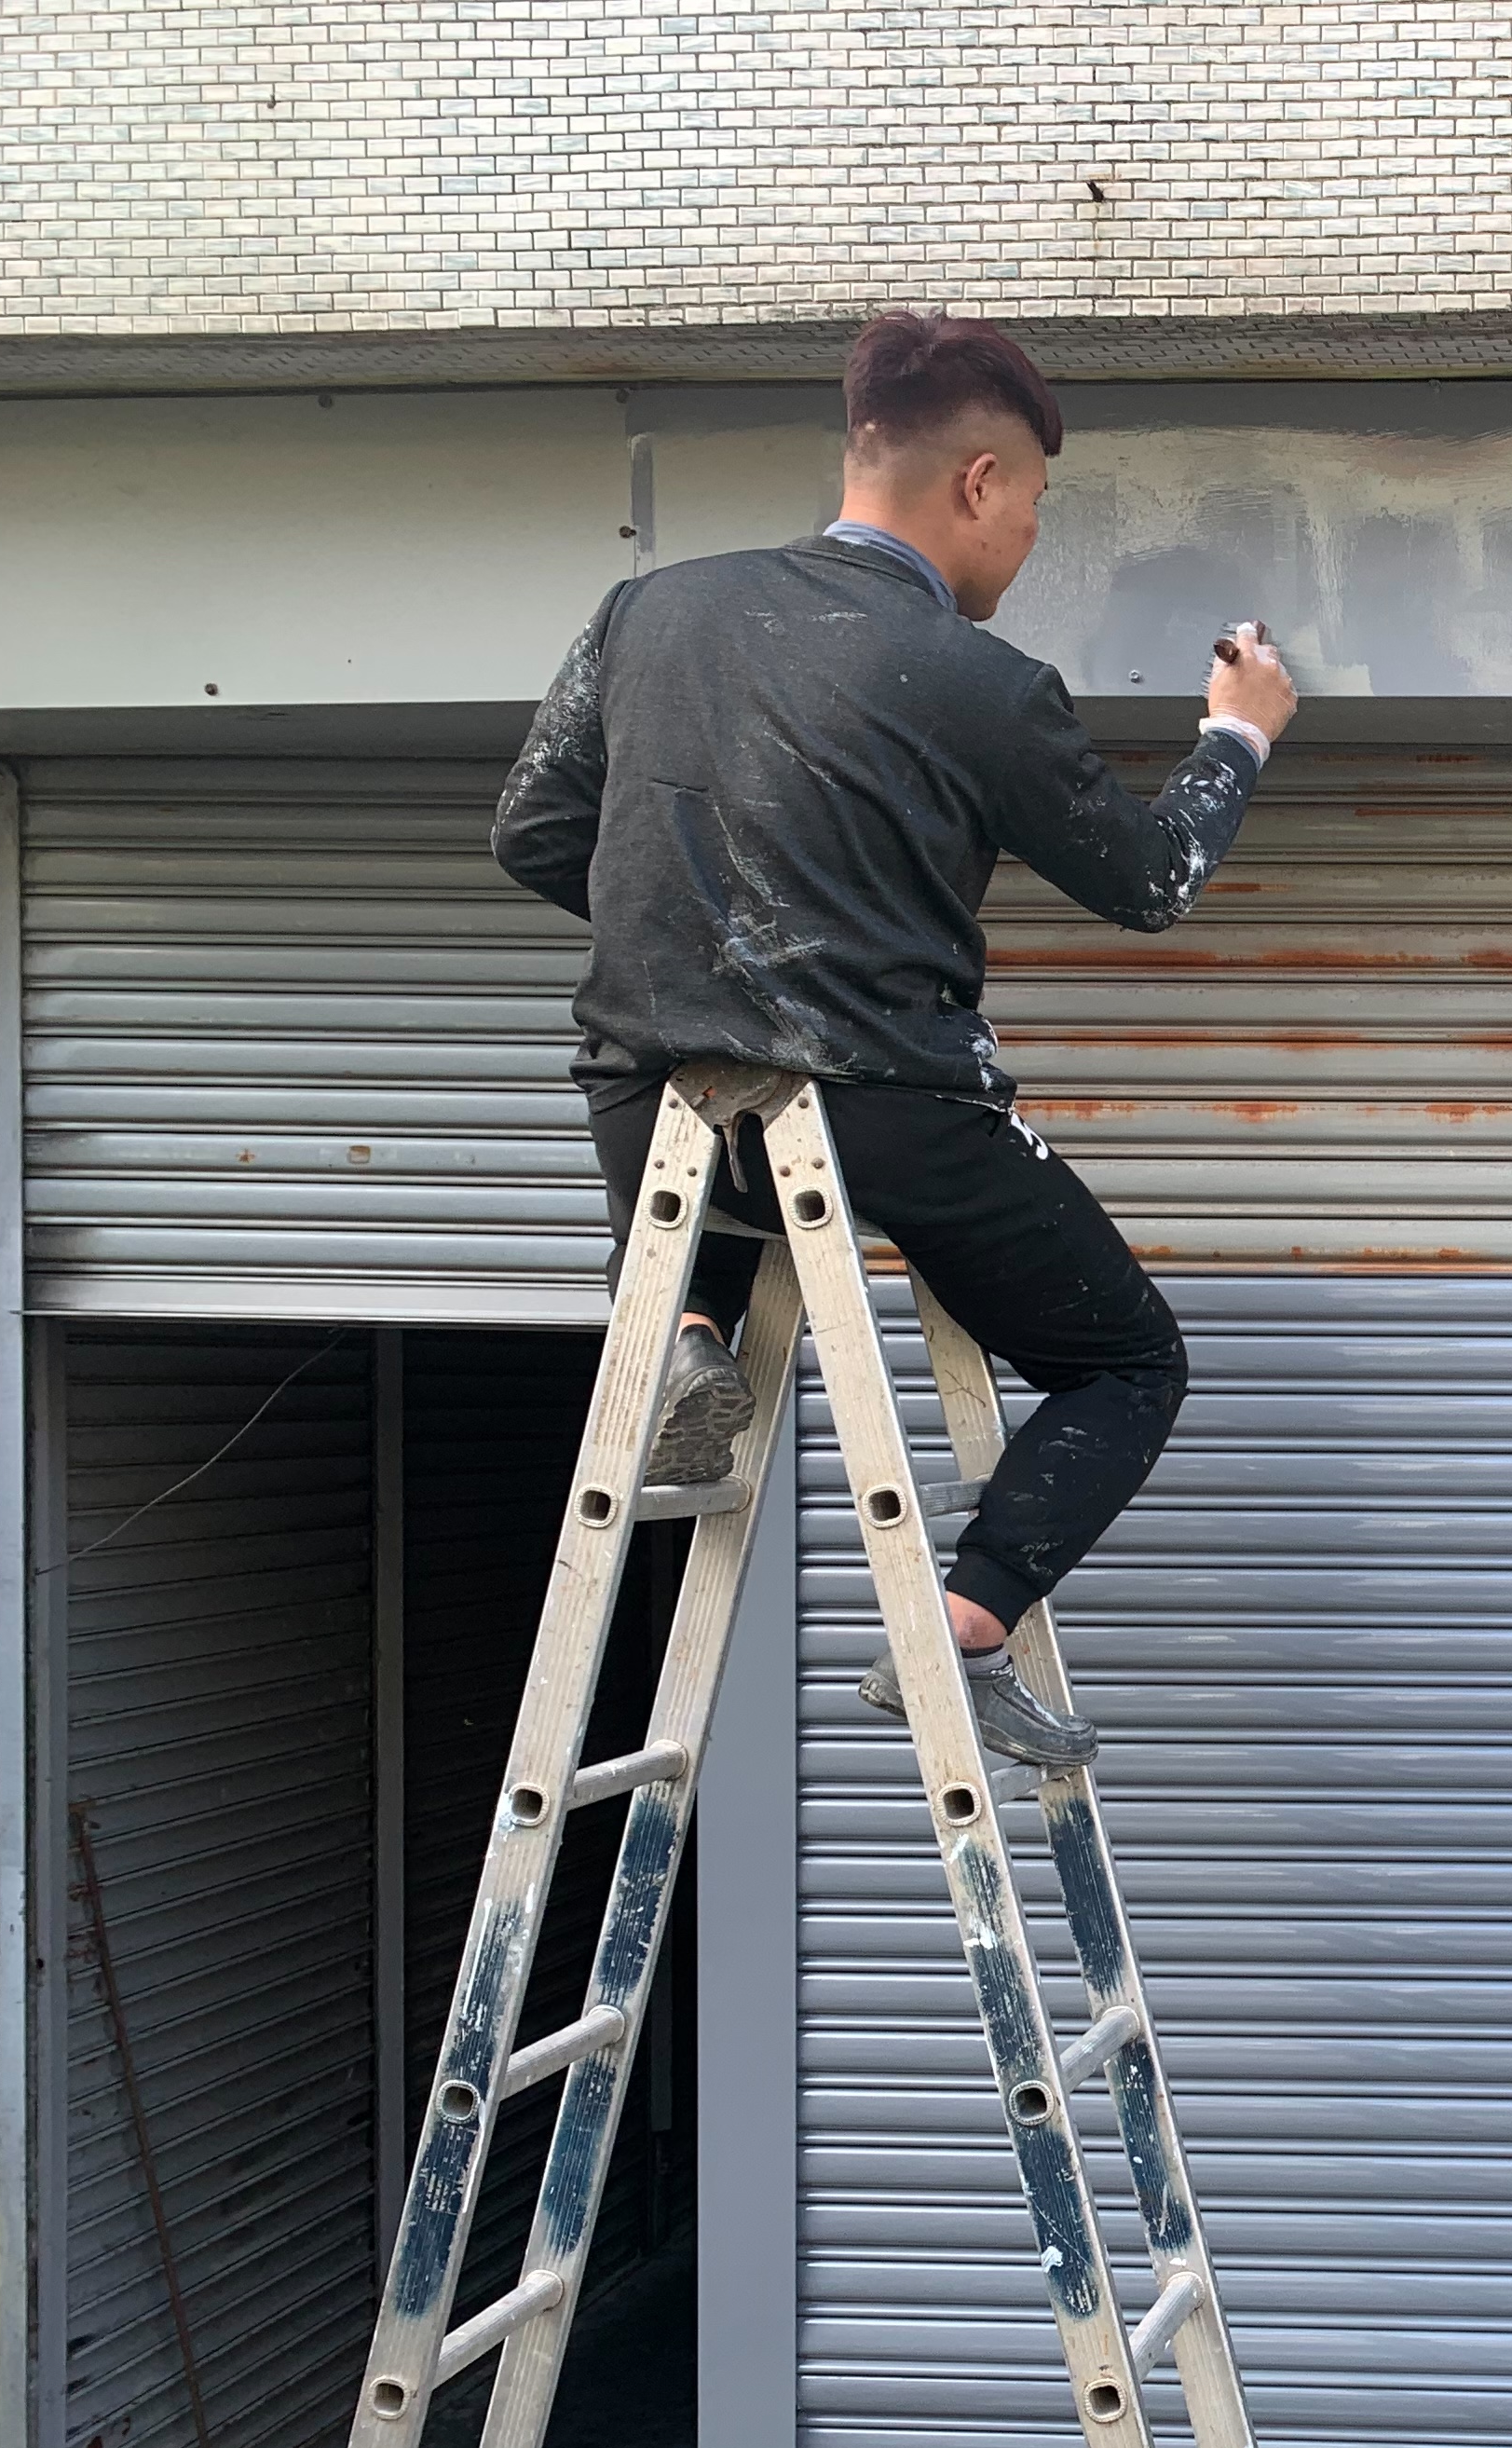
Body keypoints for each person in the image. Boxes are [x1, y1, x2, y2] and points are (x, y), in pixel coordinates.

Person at [492, 309, 1296, 1766]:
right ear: (979, 482)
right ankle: (963, 1629)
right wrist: (1236, 734)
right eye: (1038, 505)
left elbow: (539, 833)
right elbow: (1149, 882)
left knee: (709, 1149)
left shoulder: (646, 613)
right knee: (1131, 1365)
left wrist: (709, 940)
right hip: (886, 1106)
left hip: (650, 1103)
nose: (1032, 538)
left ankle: (682, 1330)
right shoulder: (977, 681)